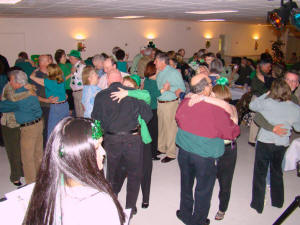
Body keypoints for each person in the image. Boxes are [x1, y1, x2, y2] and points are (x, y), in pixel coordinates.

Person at [23, 117, 126, 225]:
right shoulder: (100, 203)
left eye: (101, 145)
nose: (103, 152)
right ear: (78, 156)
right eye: (96, 148)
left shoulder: (46, 188)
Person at [175, 74, 240, 225]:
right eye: (210, 83)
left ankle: (185, 215)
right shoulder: (216, 109)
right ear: (205, 88)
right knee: (203, 190)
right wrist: (234, 118)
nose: (212, 85)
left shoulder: (185, 103)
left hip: (184, 153)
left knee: (186, 185)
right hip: (204, 158)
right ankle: (198, 221)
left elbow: (178, 119)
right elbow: (232, 133)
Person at [91, 69, 152, 215]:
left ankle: (113, 202)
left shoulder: (101, 96)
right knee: (134, 174)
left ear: (108, 80)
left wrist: (99, 140)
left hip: (111, 140)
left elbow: (96, 121)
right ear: (121, 78)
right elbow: (148, 115)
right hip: (133, 139)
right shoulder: (132, 93)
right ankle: (130, 207)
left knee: (112, 173)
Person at [249, 79, 300, 214]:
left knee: (260, 173)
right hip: (281, 144)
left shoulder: (267, 103)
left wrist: (266, 94)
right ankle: (277, 202)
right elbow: (298, 127)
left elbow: (252, 105)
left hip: (265, 142)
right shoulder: (295, 108)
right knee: (277, 172)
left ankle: (257, 205)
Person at [0, 70, 43, 184]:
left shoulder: (19, 97)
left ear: (16, 82)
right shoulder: (30, 90)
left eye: (10, 81)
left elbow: (2, 107)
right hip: (39, 124)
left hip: (29, 128)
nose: (9, 83)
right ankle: (41, 178)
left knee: (27, 158)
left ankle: (31, 184)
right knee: (38, 154)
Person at [155, 52, 186, 163]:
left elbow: (182, 89)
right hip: (160, 102)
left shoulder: (174, 73)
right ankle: (162, 148)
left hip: (170, 104)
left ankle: (171, 153)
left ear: (163, 62)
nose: (154, 63)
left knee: (170, 129)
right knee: (161, 127)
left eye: (156, 61)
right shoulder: (159, 72)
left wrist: (169, 88)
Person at [30, 64, 69, 138]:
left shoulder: (49, 82)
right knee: (64, 127)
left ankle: (51, 147)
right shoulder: (62, 78)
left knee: (52, 128)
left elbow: (31, 77)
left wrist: (35, 70)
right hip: (65, 105)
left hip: (56, 106)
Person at [143, 61, 161, 160]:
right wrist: (163, 90)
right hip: (152, 109)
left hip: (148, 109)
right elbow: (152, 95)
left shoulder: (147, 80)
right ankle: (152, 154)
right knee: (153, 132)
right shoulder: (152, 82)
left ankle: (152, 151)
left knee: (151, 131)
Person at [55, 49, 74, 115]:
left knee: (72, 107)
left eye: (65, 56)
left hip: (71, 88)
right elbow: (61, 79)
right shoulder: (59, 66)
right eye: (64, 56)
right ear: (59, 58)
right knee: (69, 109)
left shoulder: (67, 64)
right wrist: (71, 74)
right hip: (66, 88)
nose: (65, 57)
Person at [69, 50, 85, 117]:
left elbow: (83, 78)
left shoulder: (82, 66)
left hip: (80, 91)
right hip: (75, 91)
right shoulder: (74, 66)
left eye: (71, 58)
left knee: (81, 112)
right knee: (78, 113)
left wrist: (75, 73)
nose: (69, 60)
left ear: (76, 58)